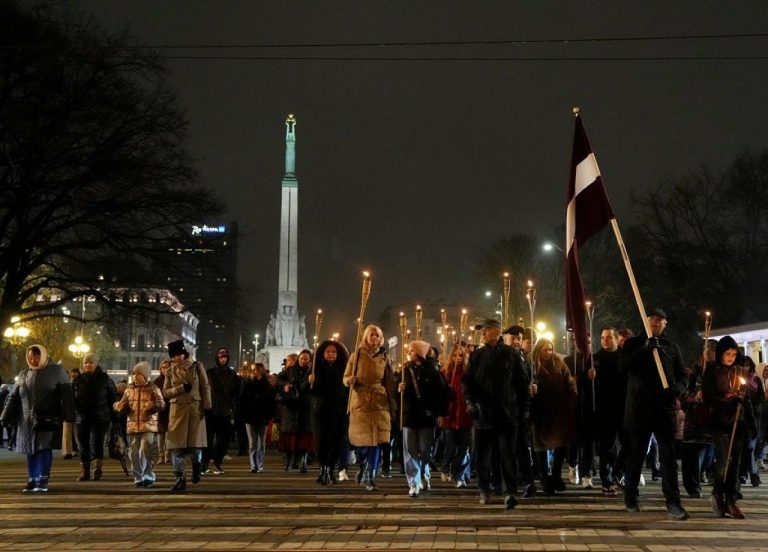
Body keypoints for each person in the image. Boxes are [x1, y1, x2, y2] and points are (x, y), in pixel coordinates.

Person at [620, 308, 690, 519]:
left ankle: (673, 502)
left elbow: (683, 376)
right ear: (645, 321)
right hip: (640, 409)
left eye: (660, 320)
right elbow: (622, 366)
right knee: (637, 455)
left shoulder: (672, 347)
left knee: (669, 457)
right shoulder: (632, 344)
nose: (656, 323)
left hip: (664, 409)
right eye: (653, 320)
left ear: (665, 324)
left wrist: (677, 389)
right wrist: (644, 349)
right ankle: (631, 494)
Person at [462, 318, 530, 510]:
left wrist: (524, 408)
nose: (482, 334)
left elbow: (521, 384)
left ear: (496, 332)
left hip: (506, 413)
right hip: (483, 414)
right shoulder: (477, 356)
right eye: (481, 331)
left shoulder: (511, 355)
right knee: (481, 455)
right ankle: (484, 488)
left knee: (508, 454)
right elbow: (467, 382)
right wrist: (470, 401)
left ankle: (510, 491)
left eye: (485, 330)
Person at [0, 344, 75, 493]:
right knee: (30, 450)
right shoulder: (24, 374)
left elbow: (67, 396)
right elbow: (13, 397)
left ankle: (42, 479)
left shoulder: (57, 371)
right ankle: (32, 479)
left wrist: (69, 416)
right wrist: (5, 416)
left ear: (43, 355)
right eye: (30, 356)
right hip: (27, 420)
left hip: (48, 417)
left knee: (43, 448)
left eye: (35, 356)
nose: (32, 359)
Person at [702, 336, 751, 518]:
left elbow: (747, 399)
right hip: (720, 422)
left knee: (735, 463)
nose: (730, 357)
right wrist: (727, 402)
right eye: (727, 353)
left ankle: (731, 500)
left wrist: (750, 419)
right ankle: (718, 494)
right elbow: (709, 398)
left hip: (738, 422)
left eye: (733, 354)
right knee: (724, 461)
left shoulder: (740, 371)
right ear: (720, 353)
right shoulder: (712, 371)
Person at [344, 324, 396, 491]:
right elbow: (345, 377)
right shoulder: (356, 355)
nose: (374, 338)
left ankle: (371, 475)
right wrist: (349, 380)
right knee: (363, 442)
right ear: (366, 337)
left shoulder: (385, 357)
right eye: (371, 335)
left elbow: (388, 380)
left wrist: (394, 395)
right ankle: (362, 464)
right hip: (361, 399)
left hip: (379, 401)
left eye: (377, 336)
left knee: (377, 441)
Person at [580, 327, 627, 495]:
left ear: (616, 339)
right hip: (603, 409)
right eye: (603, 338)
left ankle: (619, 472)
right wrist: (588, 377)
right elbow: (584, 386)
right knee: (606, 448)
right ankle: (606, 481)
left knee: (629, 444)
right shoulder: (594, 359)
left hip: (622, 407)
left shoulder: (624, 357)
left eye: (609, 338)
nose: (605, 340)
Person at [399, 340, 448, 497]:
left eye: (412, 351)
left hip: (426, 416)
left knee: (425, 450)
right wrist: (398, 388)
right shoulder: (405, 370)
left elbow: (441, 394)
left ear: (420, 353)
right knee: (410, 450)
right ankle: (413, 481)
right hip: (409, 416)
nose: (409, 353)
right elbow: (397, 393)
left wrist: (440, 413)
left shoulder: (433, 371)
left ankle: (424, 474)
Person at [530, 338, 578, 496]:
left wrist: (572, 397)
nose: (548, 353)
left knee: (560, 444)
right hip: (540, 412)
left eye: (550, 349)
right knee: (541, 446)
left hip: (559, 411)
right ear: (539, 350)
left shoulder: (559, 364)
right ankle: (544, 478)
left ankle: (556, 475)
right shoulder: (533, 366)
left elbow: (569, 382)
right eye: (545, 349)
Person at [163, 339, 211, 492]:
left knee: (195, 447)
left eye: (179, 355)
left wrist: (207, 405)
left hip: (195, 411)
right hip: (177, 412)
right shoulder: (169, 371)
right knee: (176, 448)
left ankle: (197, 466)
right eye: (174, 356)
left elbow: (205, 386)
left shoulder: (197, 367)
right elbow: (166, 392)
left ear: (184, 353)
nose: (176, 358)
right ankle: (180, 478)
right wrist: (180, 388)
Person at [114, 361, 165, 488]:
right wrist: (119, 406)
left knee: (145, 449)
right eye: (134, 373)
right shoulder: (129, 390)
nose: (136, 376)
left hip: (148, 425)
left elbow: (162, 404)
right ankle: (137, 477)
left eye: (139, 374)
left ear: (145, 376)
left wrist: (152, 406)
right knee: (134, 452)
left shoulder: (154, 388)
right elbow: (122, 405)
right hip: (133, 426)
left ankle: (148, 476)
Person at [72, 352, 118, 482]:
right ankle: (85, 470)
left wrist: (115, 413)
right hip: (82, 417)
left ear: (96, 364)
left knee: (97, 442)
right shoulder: (78, 379)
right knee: (83, 444)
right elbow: (72, 398)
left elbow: (113, 396)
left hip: (100, 417)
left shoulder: (104, 378)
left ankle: (97, 468)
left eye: (91, 363)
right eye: (86, 363)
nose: (88, 365)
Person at [308, 340, 350, 485]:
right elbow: (306, 389)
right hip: (320, 411)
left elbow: (348, 390)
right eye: (328, 352)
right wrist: (309, 381)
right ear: (322, 353)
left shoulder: (344, 368)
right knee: (321, 441)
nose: (331, 354)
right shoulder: (315, 368)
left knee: (335, 442)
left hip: (338, 411)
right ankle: (322, 468)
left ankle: (330, 469)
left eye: (333, 352)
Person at [439, 342, 473, 488]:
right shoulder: (446, 372)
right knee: (451, 446)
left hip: (465, 414)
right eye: (455, 355)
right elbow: (440, 394)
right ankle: (446, 468)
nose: (458, 358)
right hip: (451, 413)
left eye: (461, 355)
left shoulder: (467, 372)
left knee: (464, 447)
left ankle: (458, 473)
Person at [202, 347, 240, 475]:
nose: (223, 360)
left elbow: (235, 393)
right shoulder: (210, 373)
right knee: (208, 439)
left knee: (223, 440)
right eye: (221, 357)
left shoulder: (232, 375)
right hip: (211, 411)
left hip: (224, 411)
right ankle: (205, 463)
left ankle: (217, 462)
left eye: (225, 357)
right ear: (217, 358)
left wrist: (233, 407)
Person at [277, 349, 314, 473]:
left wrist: (312, 381)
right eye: (302, 358)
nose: (304, 361)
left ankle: (303, 460)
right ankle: (290, 459)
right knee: (290, 436)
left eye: (307, 359)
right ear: (299, 359)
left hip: (305, 406)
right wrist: (285, 384)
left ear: (310, 360)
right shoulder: (291, 370)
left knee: (304, 437)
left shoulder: (312, 371)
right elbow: (278, 379)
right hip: (291, 407)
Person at [239, 363, 275, 473]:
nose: (253, 372)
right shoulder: (246, 383)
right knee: (252, 442)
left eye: (255, 370)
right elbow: (241, 399)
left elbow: (271, 402)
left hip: (262, 417)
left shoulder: (267, 385)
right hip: (249, 417)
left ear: (261, 371)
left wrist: (269, 416)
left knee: (261, 443)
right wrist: (243, 414)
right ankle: (253, 465)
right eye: (252, 370)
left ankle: (260, 464)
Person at [153, 360, 171, 464]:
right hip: (160, 412)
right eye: (163, 367)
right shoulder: (157, 381)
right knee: (161, 436)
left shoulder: (173, 379)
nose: (165, 369)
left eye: (167, 367)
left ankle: (168, 456)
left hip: (170, 411)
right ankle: (161, 455)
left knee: (169, 436)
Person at [61, 368, 80, 460]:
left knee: (77, 433)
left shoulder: (80, 387)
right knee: (67, 433)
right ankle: (67, 452)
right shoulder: (66, 386)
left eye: (75, 376)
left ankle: (78, 449)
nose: (73, 378)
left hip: (77, 412)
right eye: (72, 376)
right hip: (68, 411)